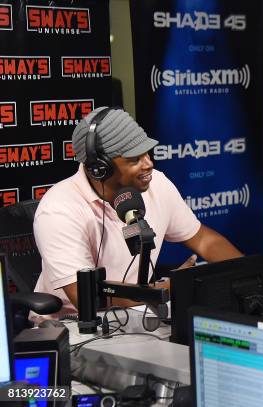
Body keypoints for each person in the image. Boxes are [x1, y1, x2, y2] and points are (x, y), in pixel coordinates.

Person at [32, 107, 243, 319]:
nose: (149, 163)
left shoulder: (157, 184)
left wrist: (253, 275)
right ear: (99, 168)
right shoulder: (58, 209)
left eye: (147, 153)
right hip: (72, 329)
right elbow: (86, 297)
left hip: (137, 314)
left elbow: (203, 239)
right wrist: (164, 290)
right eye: (134, 159)